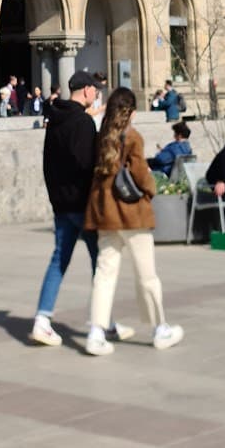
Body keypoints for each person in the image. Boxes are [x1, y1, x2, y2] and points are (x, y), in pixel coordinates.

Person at [30, 71, 135, 347]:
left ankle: (42, 321)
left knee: (59, 261)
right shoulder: (83, 123)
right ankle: (104, 324)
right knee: (101, 263)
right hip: (83, 205)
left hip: (61, 204)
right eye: (96, 90)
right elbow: (88, 166)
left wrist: (55, 197)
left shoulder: (55, 119)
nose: (97, 95)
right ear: (87, 90)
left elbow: (48, 163)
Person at [84, 86, 183, 355]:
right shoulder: (132, 137)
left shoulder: (101, 136)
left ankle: (96, 332)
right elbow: (140, 174)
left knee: (104, 274)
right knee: (146, 275)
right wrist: (151, 189)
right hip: (131, 214)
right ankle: (159, 329)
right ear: (132, 113)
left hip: (105, 214)